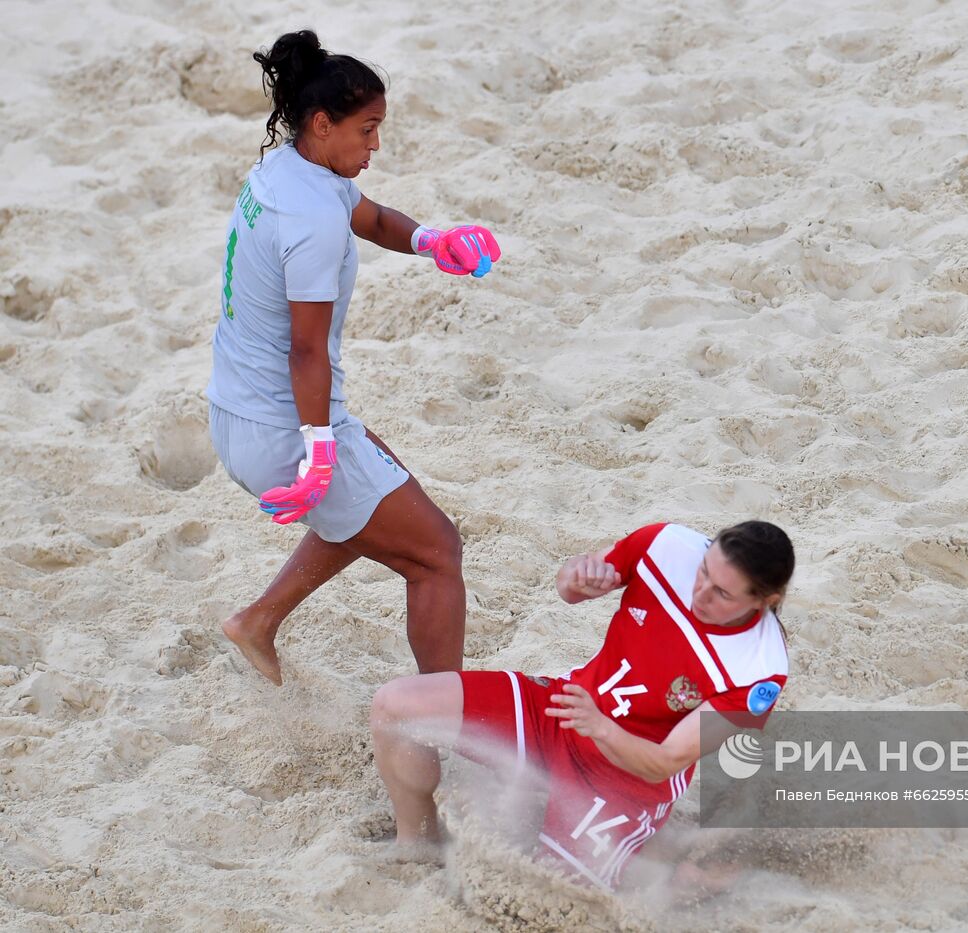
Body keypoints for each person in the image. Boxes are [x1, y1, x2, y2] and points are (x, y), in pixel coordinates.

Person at [207, 30, 502, 685]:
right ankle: (440, 721)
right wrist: (316, 450)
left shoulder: (291, 169)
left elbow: (364, 217)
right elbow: (306, 351)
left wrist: (431, 239)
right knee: (435, 552)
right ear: (322, 122)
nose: (375, 146)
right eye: (367, 131)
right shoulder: (308, 221)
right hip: (285, 426)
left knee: (380, 496)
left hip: (236, 408)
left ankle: (257, 621)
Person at [369, 520, 794, 890]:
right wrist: (578, 577)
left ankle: (683, 875)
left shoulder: (759, 671)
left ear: (765, 601)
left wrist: (601, 726)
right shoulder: (669, 545)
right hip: (563, 707)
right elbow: (568, 585)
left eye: (722, 593)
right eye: (704, 572)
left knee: (551, 896)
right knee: (395, 706)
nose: (699, 592)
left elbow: (666, 762)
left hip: (624, 780)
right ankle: (419, 844)